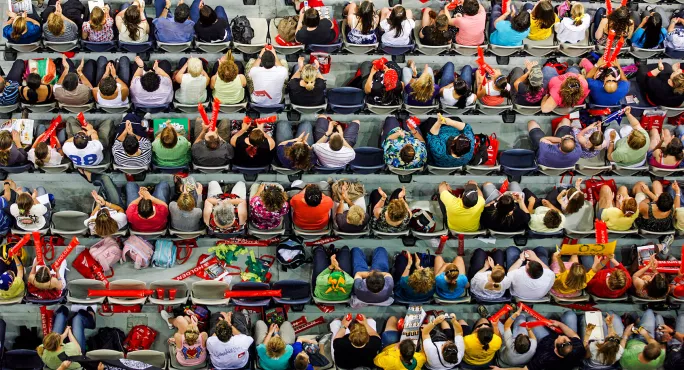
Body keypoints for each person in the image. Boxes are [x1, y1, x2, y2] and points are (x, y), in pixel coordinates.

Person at [491, 311, 585, 370]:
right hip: (546, 339)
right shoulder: (578, 347)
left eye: (557, 339)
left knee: (530, 319)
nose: (559, 335)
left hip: (544, 340)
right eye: (564, 337)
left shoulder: (543, 358)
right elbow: (573, 335)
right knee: (570, 314)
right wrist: (559, 324)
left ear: (556, 350)